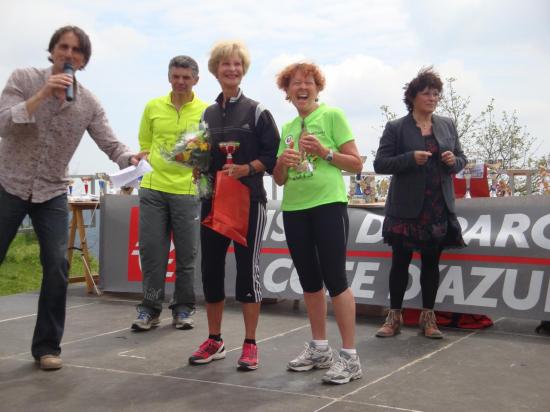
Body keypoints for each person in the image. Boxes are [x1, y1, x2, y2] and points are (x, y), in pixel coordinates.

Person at [0, 25, 143, 370]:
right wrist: (41, 96)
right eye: (62, 47)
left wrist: (131, 159)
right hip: (8, 183)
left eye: (76, 50)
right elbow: (3, 123)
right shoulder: (23, 78)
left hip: (51, 191)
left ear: (83, 60)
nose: (68, 54)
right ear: (52, 52)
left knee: (57, 264)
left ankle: (47, 347)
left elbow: (110, 143)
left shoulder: (88, 102)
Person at [187, 41, 280, 371]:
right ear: (215, 70)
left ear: (244, 70)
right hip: (212, 201)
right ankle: (215, 339)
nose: (232, 69)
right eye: (226, 64)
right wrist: (195, 163)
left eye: (237, 64)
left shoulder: (257, 111)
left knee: (247, 272)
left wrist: (247, 168)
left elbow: (272, 157)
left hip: (247, 201)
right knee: (210, 270)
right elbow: (203, 155)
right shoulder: (207, 114)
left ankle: (251, 343)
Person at [273, 62, 364, 384]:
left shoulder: (332, 116)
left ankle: (350, 357)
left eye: (308, 82)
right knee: (310, 281)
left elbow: (356, 164)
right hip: (295, 208)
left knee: (336, 280)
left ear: (317, 88)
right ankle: (319, 348)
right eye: (295, 83)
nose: (302, 87)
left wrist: (325, 152)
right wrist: (282, 163)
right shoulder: (287, 129)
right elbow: (279, 179)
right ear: (287, 91)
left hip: (327, 205)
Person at [373, 67, 467, 339]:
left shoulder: (447, 124)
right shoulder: (396, 127)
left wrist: (454, 162)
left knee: (430, 264)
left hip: (438, 206)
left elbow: (461, 158)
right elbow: (380, 163)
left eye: (436, 93)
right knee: (400, 262)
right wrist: (409, 158)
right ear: (412, 97)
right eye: (426, 93)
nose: (432, 97)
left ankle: (429, 319)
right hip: (405, 208)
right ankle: (394, 318)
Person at [131, 56, 208, 331]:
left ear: (196, 80)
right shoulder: (152, 106)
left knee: (187, 255)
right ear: (169, 77)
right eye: (175, 76)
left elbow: (206, 151)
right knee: (153, 254)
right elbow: (144, 144)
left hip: (188, 191)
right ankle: (149, 309)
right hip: (152, 188)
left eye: (186, 77)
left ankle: (184, 308)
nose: (180, 82)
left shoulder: (205, 110)